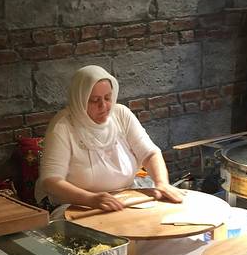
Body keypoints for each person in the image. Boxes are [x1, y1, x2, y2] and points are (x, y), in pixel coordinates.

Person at [35, 65, 184, 212]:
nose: (104, 106)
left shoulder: (121, 115)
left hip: (125, 199)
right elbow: (51, 181)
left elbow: (150, 153)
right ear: (80, 99)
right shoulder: (62, 126)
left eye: (108, 98)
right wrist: (91, 199)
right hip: (76, 206)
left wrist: (161, 182)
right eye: (94, 100)